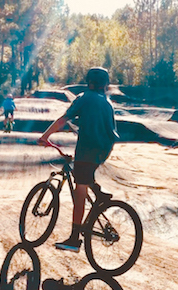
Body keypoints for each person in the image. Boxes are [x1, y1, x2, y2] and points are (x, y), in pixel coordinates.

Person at [37, 67, 119, 252]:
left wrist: (45, 136)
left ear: (88, 81)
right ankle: (100, 195)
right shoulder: (106, 102)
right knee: (84, 175)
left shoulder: (85, 97)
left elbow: (63, 119)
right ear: (106, 84)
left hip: (88, 148)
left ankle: (74, 239)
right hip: (103, 149)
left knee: (79, 191)